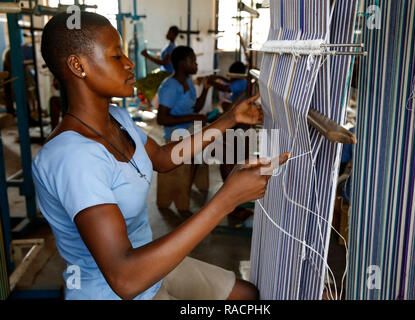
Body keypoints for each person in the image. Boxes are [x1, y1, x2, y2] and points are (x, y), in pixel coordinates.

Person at [32, 12, 288, 300]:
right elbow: (125, 279)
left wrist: (229, 119)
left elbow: (164, 158)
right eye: (117, 56)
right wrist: (226, 199)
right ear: (78, 66)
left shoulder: (117, 119)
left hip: (151, 264)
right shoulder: (72, 158)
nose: (130, 64)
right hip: (118, 288)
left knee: (245, 295)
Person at [155, 45, 211, 212]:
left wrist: (206, 89)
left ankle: (189, 183)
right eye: (193, 61)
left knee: (204, 150)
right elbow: (162, 118)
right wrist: (195, 118)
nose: (196, 64)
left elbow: (196, 109)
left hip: (187, 128)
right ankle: (181, 200)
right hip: (174, 134)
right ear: (181, 63)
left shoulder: (187, 81)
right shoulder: (171, 86)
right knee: (189, 160)